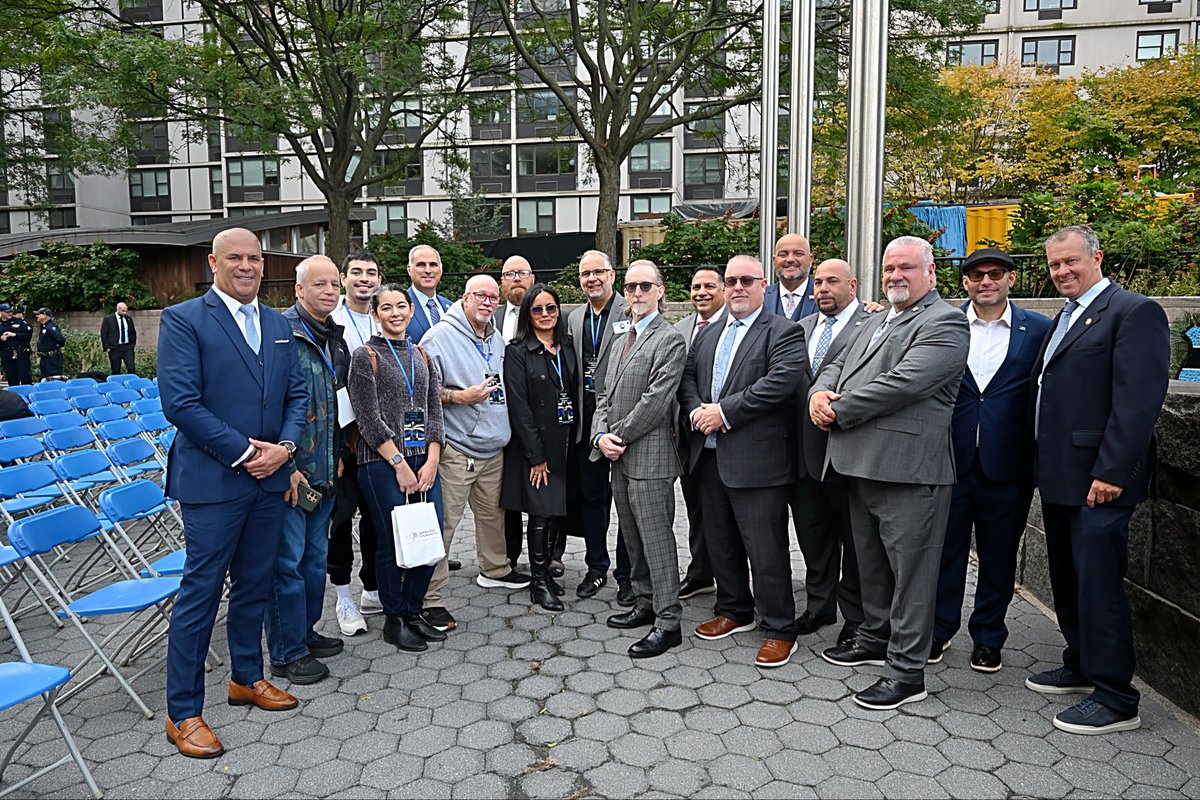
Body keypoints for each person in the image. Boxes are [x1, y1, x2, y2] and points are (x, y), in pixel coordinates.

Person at [158, 227, 308, 758]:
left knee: (255, 583)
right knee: (200, 594)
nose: (247, 266)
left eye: (255, 258)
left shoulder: (275, 322)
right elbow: (180, 404)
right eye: (236, 258)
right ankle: (183, 712)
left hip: (269, 479)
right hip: (215, 481)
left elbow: (297, 393)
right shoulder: (183, 320)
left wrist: (286, 449)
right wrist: (249, 452)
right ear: (214, 263)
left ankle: (246, 676)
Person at [810, 236, 969, 711]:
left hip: (909, 473)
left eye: (906, 267)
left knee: (913, 578)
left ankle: (907, 673)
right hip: (859, 465)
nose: (895, 275)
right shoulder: (877, 319)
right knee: (873, 568)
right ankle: (875, 638)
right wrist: (819, 395)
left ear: (931, 272)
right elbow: (835, 364)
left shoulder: (945, 322)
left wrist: (838, 411)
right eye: (888, 267)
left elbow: (905, 383)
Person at [1027, 225, 1169, 735]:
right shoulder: (1063, 317)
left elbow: (1137, 403)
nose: (1062, 271)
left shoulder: (1134, 312)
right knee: (1068, 578)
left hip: (1099, 481)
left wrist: (1111, 471)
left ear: (1096, 257)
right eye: (1054, 265)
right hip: (1061, 476)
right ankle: (1082, 663)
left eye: (1070, 262)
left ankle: (1116, 697)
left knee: (1099, 586)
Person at [678, 254, 807, 669]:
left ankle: (779, 628)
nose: (737, 287)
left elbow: (781, 384)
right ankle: (734, 610)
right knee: (719, 540)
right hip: (709, 456)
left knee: (765, 548)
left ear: (763, 284)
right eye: (730, 280)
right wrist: (699, 408)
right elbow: (688, 379)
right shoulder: (710, 334)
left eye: (745, 280)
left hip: (758, 461)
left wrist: (724, 412)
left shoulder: (783, 332)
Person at [932, 248, 1051, 673]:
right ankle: (938, 628)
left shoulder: (1039, 329)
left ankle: (988, 636)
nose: (986, 281)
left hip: (1008, 464)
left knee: (999, 557)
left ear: (1010, 279)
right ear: (964, 282)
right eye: (976, 275)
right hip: (950, 459)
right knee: (945, 551)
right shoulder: (943, 324)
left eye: (995, 274)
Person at [420, 275, 528, 632]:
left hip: (492, 448)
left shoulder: (495, 337)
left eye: (493, 297)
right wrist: (459, 397)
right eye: (480, 295)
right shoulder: (438, 337)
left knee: (492, 517)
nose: (487, 301)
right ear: (464, 298)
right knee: (445, 525)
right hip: (456, 448)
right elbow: (421, 390)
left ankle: (495, 570)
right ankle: (430, 598)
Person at [593, 260, 687, 658]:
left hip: (649, 457)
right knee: (632, 538)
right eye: (630, 287)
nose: (636, 294)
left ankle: (668, 621)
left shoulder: (669, 339)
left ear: (660, 291)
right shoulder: (620, 338)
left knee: (657, 541)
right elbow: (603, 396)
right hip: (618, 457)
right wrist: (599, 436)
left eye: (644, 286)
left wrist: (618, 435)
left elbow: (657, 401)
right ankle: (645, 602)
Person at [347, 283, 449, 652]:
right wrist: (399, 464)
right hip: (381, 463)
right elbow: (368, 418)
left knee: (430, 536)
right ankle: (394, 618)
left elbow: (434, 409)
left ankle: (413, 610)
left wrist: (433, 459)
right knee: (392, 542)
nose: (395, 313)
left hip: (425, 459)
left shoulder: (421, 353)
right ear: (375, 314)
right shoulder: (365, 356)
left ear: (410, 310)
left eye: (401, 306)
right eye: (386, 307)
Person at [265, 256, 350, 685]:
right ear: (298, 290)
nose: (330, 291)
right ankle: (285, 651)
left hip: (326, 470)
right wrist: (289, 467)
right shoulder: (280, 334)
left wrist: (335, 453)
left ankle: (306, 632)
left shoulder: (334, 336)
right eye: (320, 284)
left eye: (335, 284)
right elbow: (272, 408)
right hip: (292, 473)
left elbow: (335, 404)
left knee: (316, 561)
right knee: (287, 564)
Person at [795, 259, 872, 647]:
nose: (822, 288)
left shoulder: (874, 323)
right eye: (818, 282)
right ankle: (819, 605)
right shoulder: (803, 327)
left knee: (855, 541)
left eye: (832, 281)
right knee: (813, 536)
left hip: (848, 452)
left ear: (853, 285)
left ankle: (855, 617)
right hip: (805, 456)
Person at [501, 283, 576, 612]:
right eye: (537, 309)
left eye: (551, 308)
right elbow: (519, 407)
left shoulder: (568, 346)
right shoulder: (517, 351)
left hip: (566, 442)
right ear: (527, 314)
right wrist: (537, 457)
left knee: (556, 510)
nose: (545, 315)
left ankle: (546, 570)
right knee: (541, 513)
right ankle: (539, 581)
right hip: (536, 447)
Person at [564, 250, 632, 602]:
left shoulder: (631, 310)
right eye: (585, 273)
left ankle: (627, 574)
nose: (592, 279)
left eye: (598, 272)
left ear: (611, 275)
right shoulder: (574, 318)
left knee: (626, 501)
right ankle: (596, 567)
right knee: (592, 498)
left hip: (623, 421)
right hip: (585, 425)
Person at [328, 249, 383, 636]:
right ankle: (343, 596)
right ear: (344, 278)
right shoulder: (331, 323)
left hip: (379, 439)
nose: (365, 279)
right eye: (357, 272)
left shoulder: (386, 318)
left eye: (372, 273)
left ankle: (373, 587)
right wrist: (333, 447)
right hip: (345, 439)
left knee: (377, 518)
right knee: (342, 518)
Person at [673, 267, 726, 599]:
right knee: (696, 509)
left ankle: (730, 580)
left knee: (725, 515)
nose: (701, 292)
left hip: (726, 436)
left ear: (722, 290)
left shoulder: (734, 324)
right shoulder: (680, 328)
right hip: (687, 437)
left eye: (709, 286)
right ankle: (701, 573)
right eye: (695, 286)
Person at [497, 256, 537, 575]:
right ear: (502, 283)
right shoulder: (490, 316)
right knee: (506, 490)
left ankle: (550, 554)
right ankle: (508, 555)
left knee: (545, 485)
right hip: (499, 418)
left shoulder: (546, 314)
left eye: (522, 273)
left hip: (537, 418)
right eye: (509, 274)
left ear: (532, 278)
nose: (516, 279)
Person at [764, 233, 819, 322]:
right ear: (774, 260)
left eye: (798, 254)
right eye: (783, 254)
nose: (790, 259)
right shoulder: (760, 297)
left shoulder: (824, 295)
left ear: (810, 259)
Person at [406, 245, 453, 344]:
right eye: (421, 265)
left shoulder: (451, 308)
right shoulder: (400, 306)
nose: (428, 270)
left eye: (433, 265)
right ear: (409, 269)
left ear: (441, 269)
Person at [100, 302, 138, 375]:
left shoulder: (129, 319)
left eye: (126, 311)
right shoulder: (108, 319)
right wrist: (107, 347)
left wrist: (132, 344)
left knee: (131, 368)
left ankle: (132, 383)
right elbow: (104, 333)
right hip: (115, 348)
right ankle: (116, 384)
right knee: (116, 369)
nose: (125, 313)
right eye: (123, 311)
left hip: (127, 347)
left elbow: (133, 332)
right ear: (118, 309)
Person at [0, 303, 33, 386]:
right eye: (7, 312)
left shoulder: (19, 321)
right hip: (6, 352)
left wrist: (14, 334)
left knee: (25, 376)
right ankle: (14, 396)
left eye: (10, 311)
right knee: (11, 376)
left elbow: (28, 334)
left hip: (20, 351)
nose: (10, 313)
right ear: (1, 312)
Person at [34, 308, 66, 380]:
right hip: (45, 358)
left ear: (45, 315)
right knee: (45, 378)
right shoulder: (44, 327)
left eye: (39, 314)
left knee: (53, 379)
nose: (37, 316)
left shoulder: (51, 327)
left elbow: (61, 339)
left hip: (52, 359)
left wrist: (55, 347)